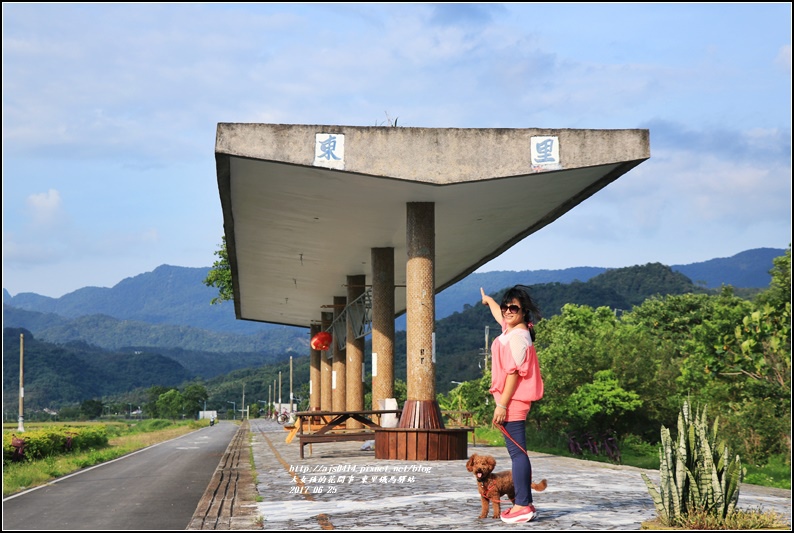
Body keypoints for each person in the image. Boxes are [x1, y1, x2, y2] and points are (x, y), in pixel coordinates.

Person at [480, 285, 544, 524]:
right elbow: (500, 315)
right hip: (510, 401)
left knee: (518, 454)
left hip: (513, 402)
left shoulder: (518, 337)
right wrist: (489, 301)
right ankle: (524, 503)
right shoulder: (513, 328)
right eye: (507, 306)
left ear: (524, 311)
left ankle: (522, 505)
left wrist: (502, 405)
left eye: (513, 308)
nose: (507, 311)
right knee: (517, 452)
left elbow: (513, 374)